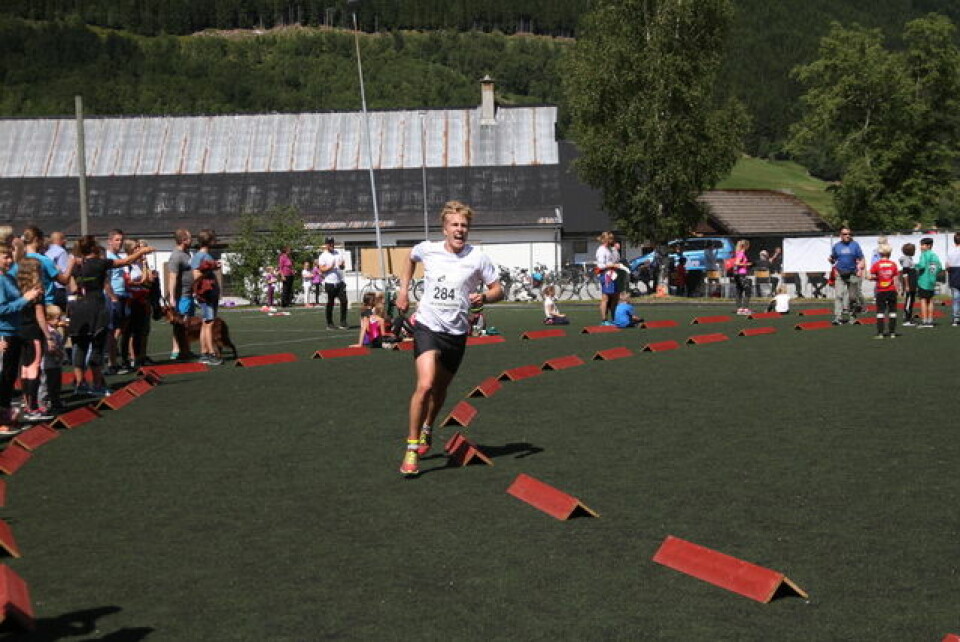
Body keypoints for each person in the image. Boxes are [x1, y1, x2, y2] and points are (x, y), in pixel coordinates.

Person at [396, 201, 503, 477]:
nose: (460, 230)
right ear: (444, 229)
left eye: (464, 225)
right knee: (426, 384)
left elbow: (498, 289)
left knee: (440, 391)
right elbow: (409, 258)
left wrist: (484, 297)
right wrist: (404, 291)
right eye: (455, 225)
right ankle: (410, 447)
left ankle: (428, 426)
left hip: (456, 333)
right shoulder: (428, 249)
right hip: (427, 326)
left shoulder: (477, 258)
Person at [70, 235, 155, 397]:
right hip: (95, 308)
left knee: (79, 347)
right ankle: (96, 384)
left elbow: (72, 286)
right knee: (96, 347)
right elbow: (125, 262)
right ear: (94, 249)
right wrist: (142, 251)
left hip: (78, 308)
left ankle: (80, 384)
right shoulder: (99, 263)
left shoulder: (77, 266)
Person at [0, 244, 43, 434]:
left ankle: (6, 416)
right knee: (3, 379)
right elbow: (2, 309)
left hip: (14, 331)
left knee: (9, 379)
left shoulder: (8, 277)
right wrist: (25, 299)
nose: (9, 261)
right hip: (4, 333)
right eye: (5, 257)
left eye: (10, 257)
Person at [16, 258, 53, 421]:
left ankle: (27, 403)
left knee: (24, 368)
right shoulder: (36, 289)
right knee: (34, 368)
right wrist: (48, 335)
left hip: (18, 330)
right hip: (32, 331)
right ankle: (33, 407)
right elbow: (39, 315)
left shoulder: (15, 287)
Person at [190, 229, 223, 365]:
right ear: (209, 241)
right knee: (209, 323)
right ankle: (210, 353)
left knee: (206, 323)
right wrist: (209, 268)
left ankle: (204, 353)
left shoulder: (206, 255)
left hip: (211, 293)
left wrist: (213, 266)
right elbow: (196, 275)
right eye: (214, 239)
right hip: (206, 294)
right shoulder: (199, 256)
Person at [104, 229, 131, 374]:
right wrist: (112, 296)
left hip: (122, 295)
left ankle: (114, 359)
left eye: (121, 240)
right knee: (112, 330)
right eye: (116, 240)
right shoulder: (108, 257)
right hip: (113, 297)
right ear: (109, 241)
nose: (119, 243)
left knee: (119, 329)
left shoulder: (117, 256)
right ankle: (111, 363)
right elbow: (106, 280)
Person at [166, 229, 194, 360]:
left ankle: (185, 349)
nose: (192, 240)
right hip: (181, 296)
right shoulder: (176, 256)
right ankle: (176, 350)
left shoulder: (187, 253)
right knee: (180, 324)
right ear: (184, 240)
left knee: (187, 323)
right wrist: (172, 297)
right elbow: (172, 277)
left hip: (189, 294)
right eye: (190, 238)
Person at [829, 227, 864, 325]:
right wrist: (832, 262)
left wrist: (860, 268)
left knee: (852, 297)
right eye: (845, 234)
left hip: (852, 274)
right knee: (839, 295)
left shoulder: (855, 245)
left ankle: (852, 317)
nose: (847, 236)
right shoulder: (836, 246)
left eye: (849, 234)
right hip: (840, 274)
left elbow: (861, 258)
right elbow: (833, 258)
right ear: (840, 235)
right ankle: (837, 317)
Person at [868, 244, 900, 339]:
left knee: (880, 312)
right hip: (891, 290)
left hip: (881, 291)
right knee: (893, 311)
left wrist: (873, 278)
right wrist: (898, 289)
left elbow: (871, 277)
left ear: (879, 253)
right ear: (890, 253)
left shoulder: (876, 265)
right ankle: (892, 333)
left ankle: (880, 333)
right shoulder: (893, 264)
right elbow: (896, 279)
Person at [41, 304, 67, 414]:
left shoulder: (55, 330)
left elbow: (62, 342)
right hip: (48, 363)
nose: (59, 320)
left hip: (56, 363)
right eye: (57, 318)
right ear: (47, 319)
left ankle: (56, 402)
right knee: (46, 384)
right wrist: (59, 353)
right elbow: (49, 348)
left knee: (56, 383)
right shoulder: (48, 332)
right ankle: (43, 404)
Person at [318, 237, 348, 330]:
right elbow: (321, 269)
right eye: (329, 243)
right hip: (330, 283)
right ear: (326, 245)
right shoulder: (323, 256)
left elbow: (342, 267)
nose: (331, 245)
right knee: (330, 303)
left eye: (332, 243)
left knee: (344, 301)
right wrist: (330, 268)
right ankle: (329, 323)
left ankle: (343, 322)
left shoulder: (338, 253)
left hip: (339, 282)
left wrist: (342, 265)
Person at [915, 237, 942, 328]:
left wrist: (915, 266)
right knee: (930, 300)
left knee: (923, 300)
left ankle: (924, 320)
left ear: (929, 246)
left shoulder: (924, 254)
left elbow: (921, 265)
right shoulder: (935, 255)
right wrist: (933, 275)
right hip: (932, 281)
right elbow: (940, 267)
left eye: (922, 245)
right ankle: (930, 320)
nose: (921, 247)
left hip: (923, 281)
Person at [595, 231, 622, 322]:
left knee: (615, 297)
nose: (613, 240)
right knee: (605, 298)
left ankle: (614, 318)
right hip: (605, 275)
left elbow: (616, 259)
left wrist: (616, 249)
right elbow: (600, 265)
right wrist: (613, 266)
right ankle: (604, 320)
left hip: (612, 275)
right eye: (611, 239)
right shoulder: (601, 250)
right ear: (607, 240)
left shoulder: (609, 249)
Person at [44, 231, 70, 311]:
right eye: (64, 239)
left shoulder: (46, 252)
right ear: (60, 240)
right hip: (59, 287)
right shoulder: (61, 252)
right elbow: (64, 270)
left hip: (49, 288)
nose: (65, 241)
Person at [899, 243, 918, 326]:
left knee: (911, 300)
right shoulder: (906, 260)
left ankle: (909, 317)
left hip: (912, 284)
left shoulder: (909, 259)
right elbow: (905, 273)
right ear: (911, 251)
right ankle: (907, 320)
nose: (915, 251)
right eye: (914, 250)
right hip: (909, 284)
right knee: (909, 301)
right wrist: (906, 286)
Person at [733, 239, 752, 315]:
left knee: (739, 291)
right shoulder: (741, 253)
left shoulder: (738, 252)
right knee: (747, 290)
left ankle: (739, 309)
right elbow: (737, 263)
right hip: (741, 274)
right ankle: (745, 309)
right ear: (746, 246)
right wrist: (747, 264)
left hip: (737, 274)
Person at [946, 232, 960, 327]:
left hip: (954, 276)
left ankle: (955, 319)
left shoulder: (950, 251)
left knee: (956, 299)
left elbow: (947, 266)